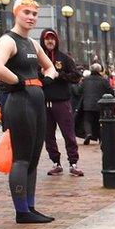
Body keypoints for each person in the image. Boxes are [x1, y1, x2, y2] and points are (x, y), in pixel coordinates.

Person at [0, 0, 58, 223]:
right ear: (15, 13)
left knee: (34, 158)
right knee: (22, 159)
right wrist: (17, 81)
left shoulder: (32, 43)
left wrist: (46, 79)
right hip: (20, 102)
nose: (31, 17)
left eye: (34, 14)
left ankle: (30, 207)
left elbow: (50, 67)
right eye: (26, 12)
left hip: (36, 101)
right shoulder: (9, 41)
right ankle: (21, 211)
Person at [40, 28, 83, 177]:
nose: (50, 41)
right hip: (44, 103)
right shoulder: (37, 58)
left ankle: (73, 163)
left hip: (62, 102)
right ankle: (56, 163)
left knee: (68, 133)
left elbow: (77, 75)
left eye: (52, 38)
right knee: (48, 135)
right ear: (43, 41)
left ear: (56, 40)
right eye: (47, 39)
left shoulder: (64, 58)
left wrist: (60, 75)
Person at [79, 63, 111, 144]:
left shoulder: (85, 80)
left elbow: (79, 91)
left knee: (87, 120)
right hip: (100, 104)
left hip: (87, 104)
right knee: (99, 121)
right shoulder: (104, 80)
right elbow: (110, 91)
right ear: (100, 70)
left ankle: (88, 133)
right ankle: (101, 138)